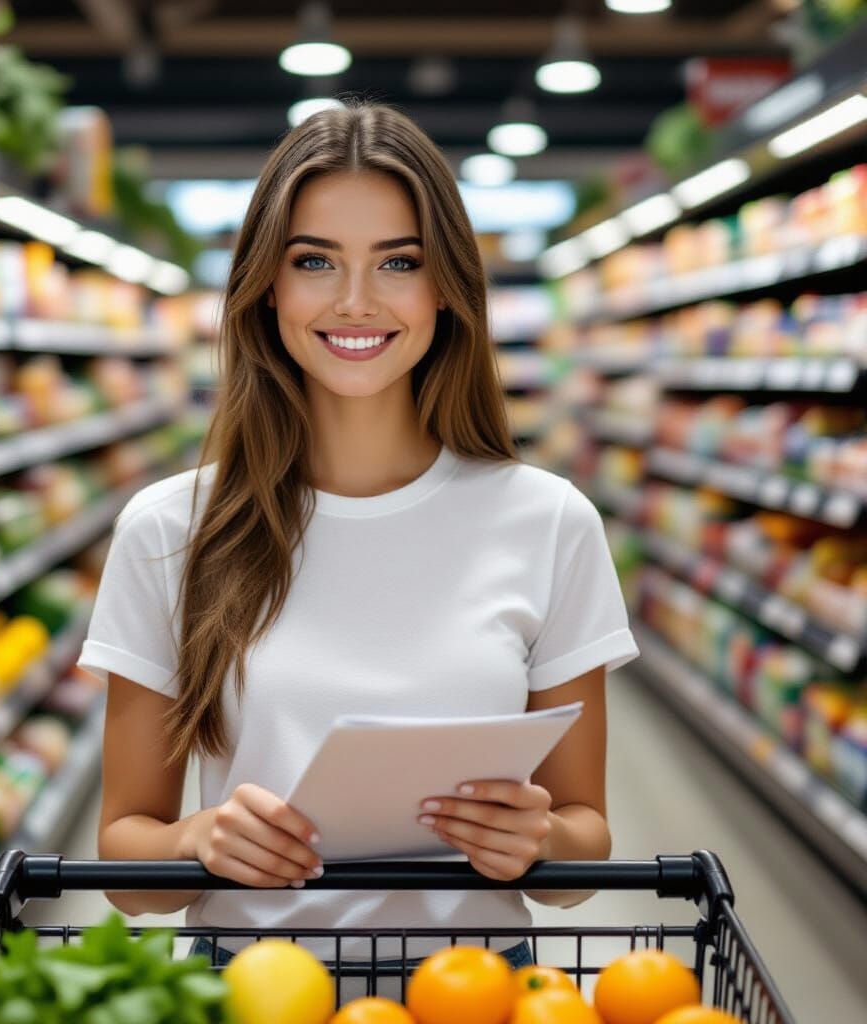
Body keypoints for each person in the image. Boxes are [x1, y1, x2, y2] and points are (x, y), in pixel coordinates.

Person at [76, 100, 639, 975]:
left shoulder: (549, 521)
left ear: (447, 284)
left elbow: (581, 851)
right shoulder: (169, 532)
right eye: (315, 261)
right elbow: (127, 863)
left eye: (399, 262)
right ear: (266, 284)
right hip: (256, 986)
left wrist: (539, 837)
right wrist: (196, 838)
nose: (355, 301)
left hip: (475, 990)